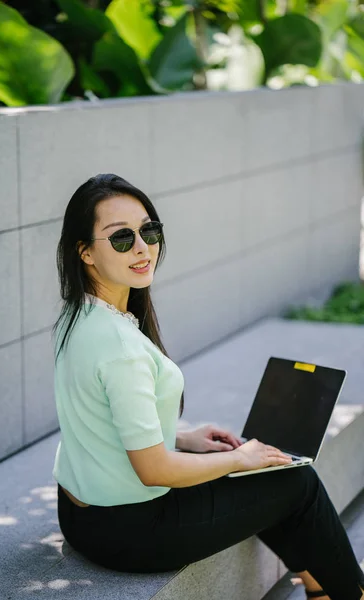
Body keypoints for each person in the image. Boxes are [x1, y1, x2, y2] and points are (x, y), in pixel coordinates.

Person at [52, 173, 364, 600]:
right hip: (133, 530)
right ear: (85, 251)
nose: (143, 247)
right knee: (297, 482)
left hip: (79, 514)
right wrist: (238, 458)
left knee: (275, 470)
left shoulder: (78, 317)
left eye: (149, 230)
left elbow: (96, 413)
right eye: (121, 238)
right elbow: (155, 470)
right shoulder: (119, 346)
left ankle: (324, 585)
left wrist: (182, 436)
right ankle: (349, 591)